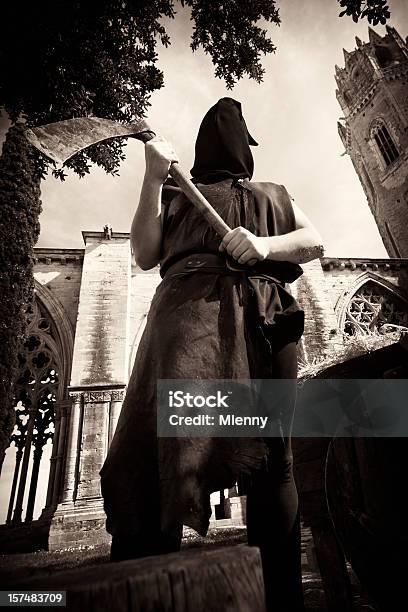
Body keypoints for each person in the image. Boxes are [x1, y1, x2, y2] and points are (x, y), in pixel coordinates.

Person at [100, 98, 323, 612]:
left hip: (265, 323)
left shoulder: (273, 194)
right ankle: (148, 592)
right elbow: (143, 254)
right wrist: (153, 179)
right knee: (159, 449)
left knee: (273, 460)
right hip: (187, 320)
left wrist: (265, 248)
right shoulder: (178, 192)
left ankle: (280, 598)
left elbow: (314, 241)